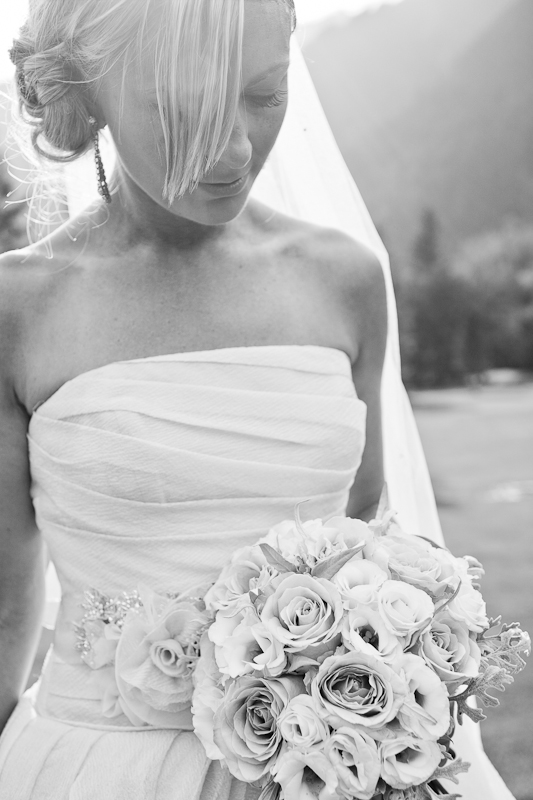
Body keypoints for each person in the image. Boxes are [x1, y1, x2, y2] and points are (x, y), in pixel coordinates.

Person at [0, 1, 518, 798]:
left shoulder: (343, 281)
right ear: (91, 90)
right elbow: (6, 602)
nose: (236, 147)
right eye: (187, 107)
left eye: (264, 94)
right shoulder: (19, 307)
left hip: (332, 769)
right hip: (102, 766)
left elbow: (367, 533)